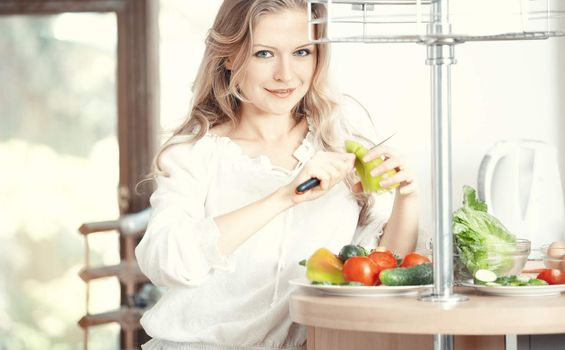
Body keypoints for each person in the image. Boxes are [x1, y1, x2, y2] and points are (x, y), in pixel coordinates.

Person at [135, 0, 419, 349]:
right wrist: (284, 196)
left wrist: (407, 194)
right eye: (264, 54)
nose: (286, 74)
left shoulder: (338, 148)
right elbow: (166, 262)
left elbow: (383, 269)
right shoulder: (194, 153)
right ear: (230, 57)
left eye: (301, 52)